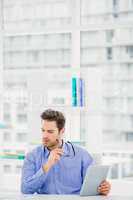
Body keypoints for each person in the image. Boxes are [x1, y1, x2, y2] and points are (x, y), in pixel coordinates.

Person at [21, 109, 111, 195]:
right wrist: (47, 165)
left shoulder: (81, 155)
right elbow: (25, 189)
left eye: (50, 132)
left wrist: (103, 188)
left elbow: (92, 188)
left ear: (62, 131)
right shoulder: (32, 156)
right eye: (43, 130)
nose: (45, 135)